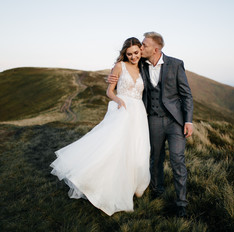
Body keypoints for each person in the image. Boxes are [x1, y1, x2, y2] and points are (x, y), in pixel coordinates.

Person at [50, 37, 150, 216]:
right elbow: (109, 91)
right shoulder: (120, 66)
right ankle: (99, 182)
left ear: (141, 51)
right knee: (114, 147)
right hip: (123, 110)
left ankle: (134, 185)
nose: (133, 57)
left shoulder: (145, 67)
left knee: (138, 149)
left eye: (136, 53)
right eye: (129, 54)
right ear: (124, 54)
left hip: (139, 114)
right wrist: (118, 99)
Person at [108, 32, 193, 218]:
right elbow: (124, 75)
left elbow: (186, 95)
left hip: (175, 122)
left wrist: (188, 121)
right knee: (155, 158)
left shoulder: (176, 64)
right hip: (152, 119)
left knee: (177, 160)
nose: (141, 48)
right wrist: (111, 79)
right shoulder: (141, 65)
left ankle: (181, 203)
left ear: (155, 49)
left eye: (144, 45)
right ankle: (157, 192)